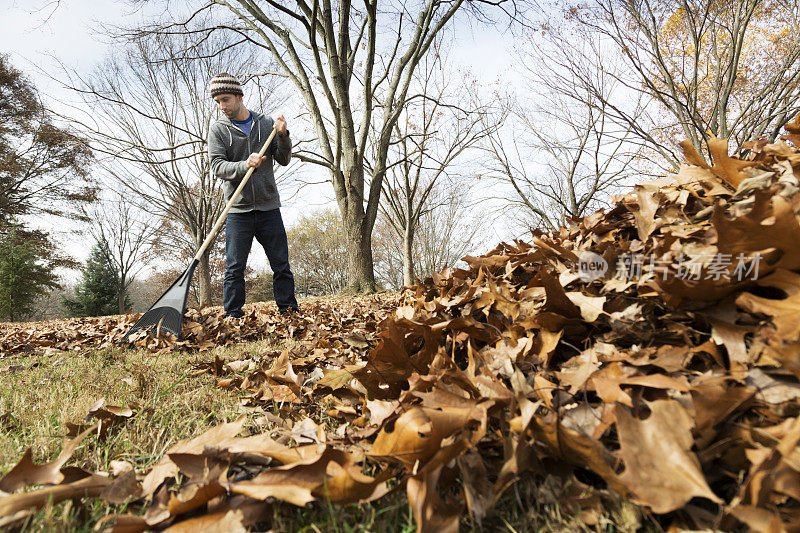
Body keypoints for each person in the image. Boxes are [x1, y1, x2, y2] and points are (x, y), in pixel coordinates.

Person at [207, 73, 299, 317]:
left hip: (269, 206)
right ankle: (233, 315)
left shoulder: (265, 123)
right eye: (217, 102)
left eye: (225, 100)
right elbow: (217, 166)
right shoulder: (218, 130)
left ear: (239, 96)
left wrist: (282, 135)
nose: (222, 106)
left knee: (281, 265)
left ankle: (288, 311)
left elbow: (284, 159)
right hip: (238, 209)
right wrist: (243, 165)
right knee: (234, 267)